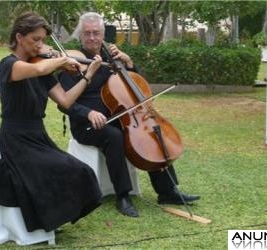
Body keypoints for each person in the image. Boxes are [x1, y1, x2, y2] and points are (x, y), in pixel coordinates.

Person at [58, 12, 200, 218]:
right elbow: (65, 103)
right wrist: (88, 113)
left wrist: (129, 63)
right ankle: (123, 195)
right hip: (88, 125)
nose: (91, 38)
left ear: (103, 34)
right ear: (80, 36)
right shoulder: (73, 63)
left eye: (95, 33)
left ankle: (168, 191)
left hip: (122, 117)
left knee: (152, 132)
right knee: (114, 136)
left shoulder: (113, 58)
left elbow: (138, 87)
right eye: (87, 33)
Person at [0, 11, 103, 232]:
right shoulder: (10, 64)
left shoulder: (42, 67)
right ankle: (45, 220)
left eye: (42, 40)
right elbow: (38, 69)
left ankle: (54, 218)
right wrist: (61, 61)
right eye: (35, 39)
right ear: (19, 37)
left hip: (38, 136)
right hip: (15, 140)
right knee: (58, 168)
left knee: (81, 170)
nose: (40, 46)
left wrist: (88, 76)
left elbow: (66, 101)